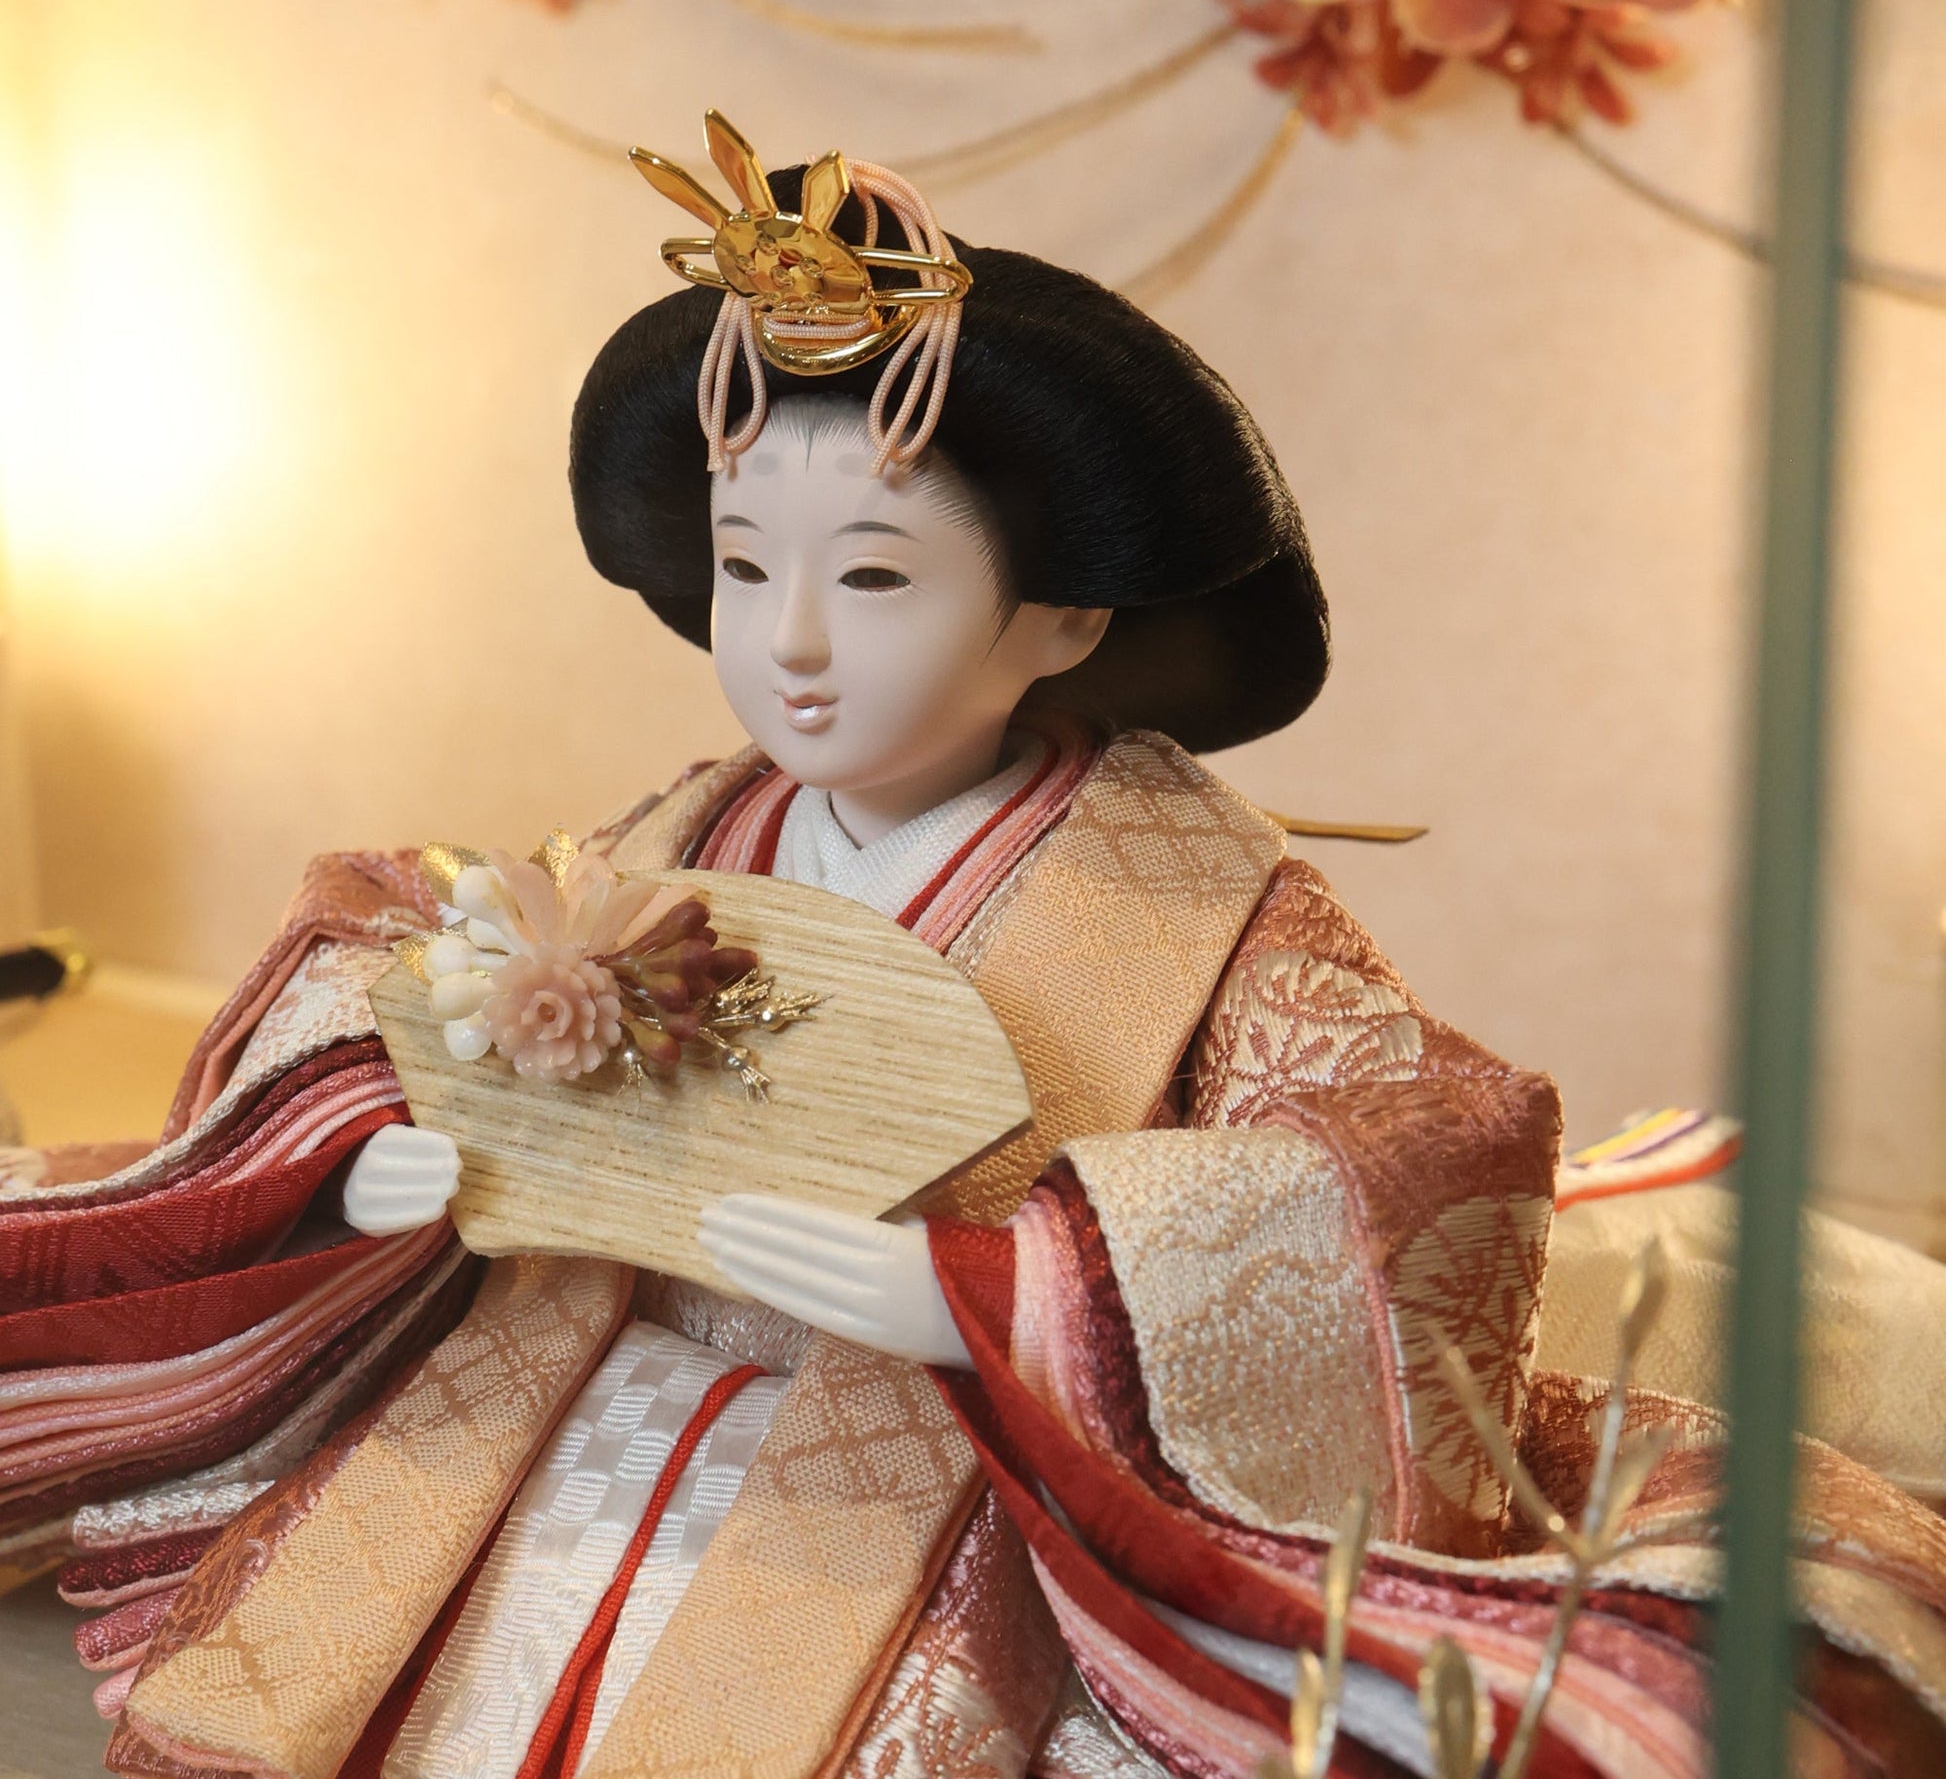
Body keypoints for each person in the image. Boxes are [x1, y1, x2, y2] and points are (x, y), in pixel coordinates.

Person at [47, 117, 1946, 1778]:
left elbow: (1411, 1155)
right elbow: (427, 965)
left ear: (1060, 619)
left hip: (979, 1452)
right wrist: (390, 1141)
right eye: (744, 562)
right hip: (588, 1394)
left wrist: (1008, 1290)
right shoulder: (676, 838)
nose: (787, 640)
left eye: (872, 572)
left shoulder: (1199, 900)